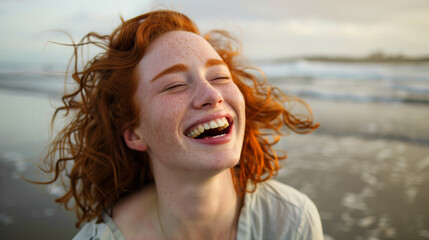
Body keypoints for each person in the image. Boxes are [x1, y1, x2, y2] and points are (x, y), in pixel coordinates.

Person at [39, 9, 323, 240]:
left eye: (220, 77)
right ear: (135, 134)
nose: (212, 95)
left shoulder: (290, 221)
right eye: (174, 85)